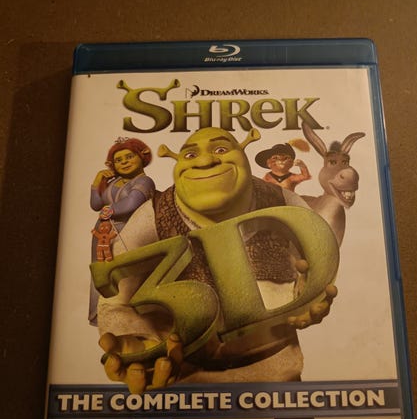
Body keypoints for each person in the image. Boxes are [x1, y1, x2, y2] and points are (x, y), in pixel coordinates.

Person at [93, 128, 338, 393]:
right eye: (190, 154)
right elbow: (116, 296)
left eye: (221, 149)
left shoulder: (283, 202)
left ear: (243, 155)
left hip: (273, 369)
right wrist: (134, 338)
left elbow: (315, 267)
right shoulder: (153, 213)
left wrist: (309, 294)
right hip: (180, 373)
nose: (204, 161)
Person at [89, 137, 155, 325]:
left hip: (129, 231)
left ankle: (126, 317)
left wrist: (110, 210)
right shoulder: (114, 182)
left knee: (125, 274)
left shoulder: (144, 181)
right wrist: (97, 182)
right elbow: (95, 204)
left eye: (129, 157)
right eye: (118, 160)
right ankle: (101, 314)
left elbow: (132, 203)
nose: (124, 162)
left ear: (141, 157)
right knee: (101, 271)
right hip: (103, 233)